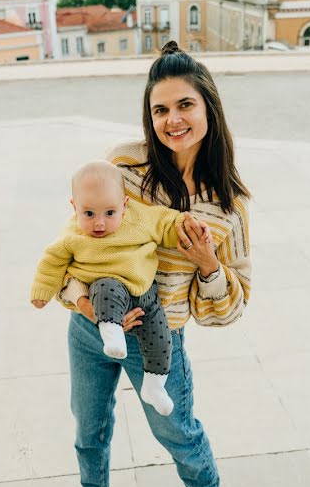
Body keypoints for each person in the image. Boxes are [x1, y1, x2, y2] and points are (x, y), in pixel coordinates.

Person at [54, 40, 251, 487]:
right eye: (160, 109)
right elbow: (75, 243)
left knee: (178, 433)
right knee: (88, 424)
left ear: (208, 105)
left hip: (159, 346)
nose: (172, 120)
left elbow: (229, 310)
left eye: (184, 104)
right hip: (91, 327)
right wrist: (80, 302)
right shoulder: (124, 165)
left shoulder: (227, 206)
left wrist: (209, 265)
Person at [30, 160, 211, 416]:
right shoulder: (72, 235)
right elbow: (52, 263)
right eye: (89, 214)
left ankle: (154, 384)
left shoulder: (139, 217)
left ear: (124, 205)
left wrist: (187, 228)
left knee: (160, 336)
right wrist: (41, 291)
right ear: (74, 207)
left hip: (146, 295)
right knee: (107, 287)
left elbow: (166, 224)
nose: (100, 223)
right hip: (106, 293)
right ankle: (111, 330)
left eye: (109, 213)